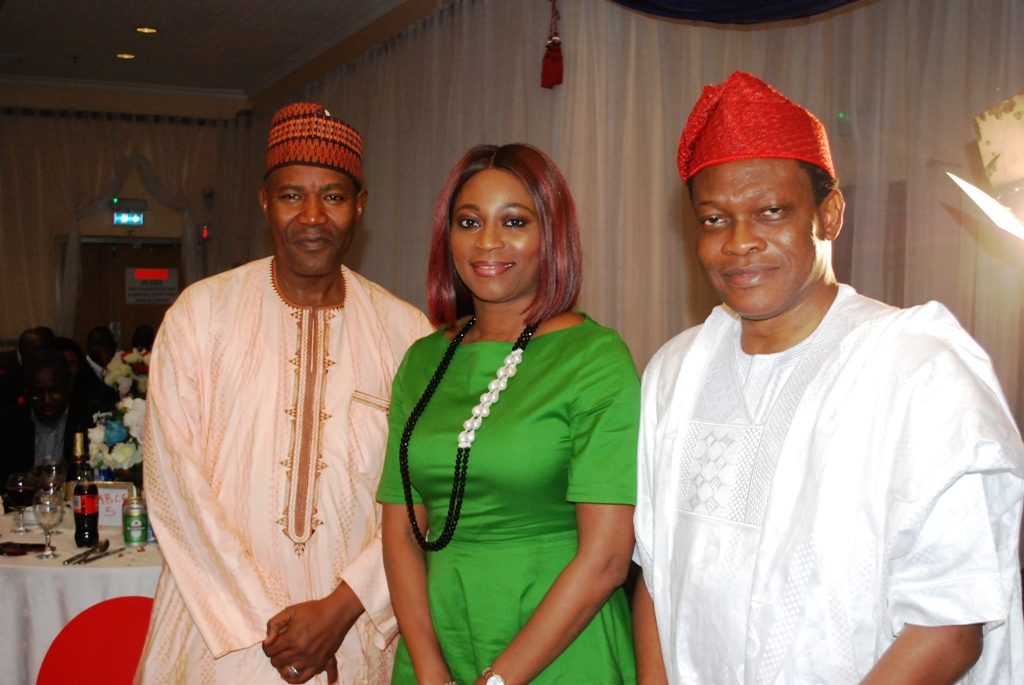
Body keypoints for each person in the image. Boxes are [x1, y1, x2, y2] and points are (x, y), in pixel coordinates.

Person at [632, 71, 1024, 684]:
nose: (740, 243)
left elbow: (950, 624)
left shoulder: (917, 367)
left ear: (830, 213)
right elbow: (655, 577)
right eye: (714, 220)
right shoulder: (675, 373)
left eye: (770, 212)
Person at [135, 102, 432, 685]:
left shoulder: (406, 334)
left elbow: (422, 493)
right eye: (292, 195)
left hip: (353, 636)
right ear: (264, 201)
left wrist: (340, 609)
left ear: (360, 207)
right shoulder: (200, 316)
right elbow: (173, 484)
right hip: (216, 636)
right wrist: (266, 619)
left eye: (334, 196)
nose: (313, 216)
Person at [378, 144, 639, 684]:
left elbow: (608, 557)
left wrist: (499, 681)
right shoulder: (422, 360)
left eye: (514, 221)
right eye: (469, 221)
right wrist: (427, 667)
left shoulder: (594, 358)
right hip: (438, 645)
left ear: (552, 235)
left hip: (560, 649)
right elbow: (401, 530)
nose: (488, 242)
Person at [0, 347, 93, 484]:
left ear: (69, 386)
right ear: (26, 390)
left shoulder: (91, 420)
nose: (47, 400)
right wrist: (20, 481)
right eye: (37, 393)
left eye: (54, 391)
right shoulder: (7, 423)